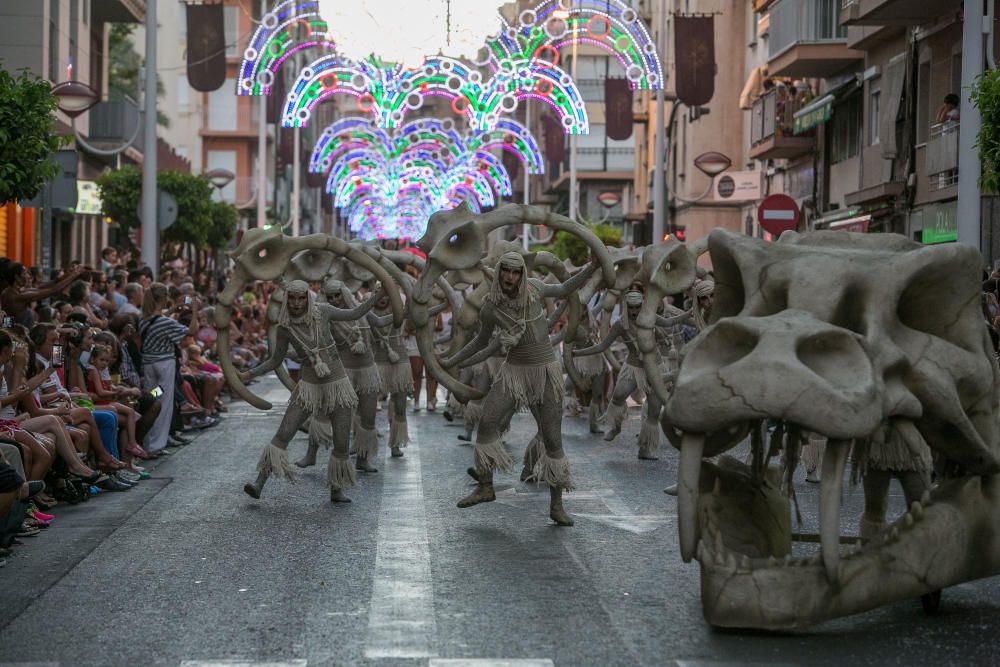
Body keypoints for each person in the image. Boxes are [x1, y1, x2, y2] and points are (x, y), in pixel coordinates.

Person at [443, 251, 596, 526]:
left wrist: (590, 267)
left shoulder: (535, 289)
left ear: (522, 274)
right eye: (506, 271)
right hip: (513, 372)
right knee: (487, 422)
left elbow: (564, 288)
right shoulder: (490, 306)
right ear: (499, 272)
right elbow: (480, 342)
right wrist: (450, 360)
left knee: (552, 439)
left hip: (544, 372)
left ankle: (557, 505)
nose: (510, 277)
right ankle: (486, 486)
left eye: (516, 272)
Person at [238, 280, 379, 503]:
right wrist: (250, 374)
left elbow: (354, 313)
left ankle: (336, 489)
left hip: (338, 385)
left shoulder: (324, 311)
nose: (296, 303)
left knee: (342, 442)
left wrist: (375, 297)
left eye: (300, 298)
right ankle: (258, 483)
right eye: (292, 298)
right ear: (287, 299)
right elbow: (276, 359)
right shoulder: (284, 328)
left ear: (307, 298)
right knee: (284, 433)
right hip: (308, 386)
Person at [139, 283, 200, 455]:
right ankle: (156, 445)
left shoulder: (143, 319)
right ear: (164, 298)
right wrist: (194, 311)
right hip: (164, 365)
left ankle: (148, 443)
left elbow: (156, 319)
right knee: (164, 403)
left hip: (149, 365)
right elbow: (191, 330)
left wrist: (173, 308)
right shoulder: (165, 322)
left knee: (153, 398)